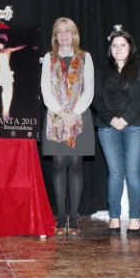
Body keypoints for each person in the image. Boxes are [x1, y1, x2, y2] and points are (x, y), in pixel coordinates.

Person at [92, 25, 140, 235]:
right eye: (114, 46)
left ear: (130, 47)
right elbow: (95, 97)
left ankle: (135, 216)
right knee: (115, 173)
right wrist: (111, 119)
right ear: (110, 49)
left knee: (133, 172)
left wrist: (126, 119)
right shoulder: (101, 69)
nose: (118, 49)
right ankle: (114, 216)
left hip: (137, 124)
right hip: (108, 125)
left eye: (122, 45)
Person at [41, 17, 94, 237]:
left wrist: (73, 114)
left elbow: (89, 89)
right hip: (55, 117)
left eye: (68, 31)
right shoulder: (48, 58)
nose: (64, 35)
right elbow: (45, 89)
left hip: (80, 117)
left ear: (74, 35)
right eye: (59, 32)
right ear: (55, 36)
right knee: (59, 164)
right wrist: (62, 113)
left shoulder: (85, 57)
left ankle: (75, 217)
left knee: (76, 165)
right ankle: (61, 217)